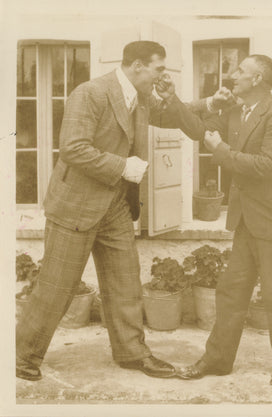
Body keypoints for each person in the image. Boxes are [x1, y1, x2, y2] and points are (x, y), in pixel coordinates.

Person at [15, 40, 200, 381]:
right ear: (138, 66)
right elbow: (72, 148)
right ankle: (21, 355)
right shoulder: (90, 93)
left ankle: (132, 353)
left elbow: (169, 113)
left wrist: (198, 101)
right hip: (77, 205)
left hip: (114, 206)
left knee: (125, 283)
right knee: (57, 287)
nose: (163, 75)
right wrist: (122, 167)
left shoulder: (141, 98)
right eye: (160, 68)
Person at [163, 54, 272, 387]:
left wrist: (222, 151)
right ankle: (217, 361)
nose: (232, 75)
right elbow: (200, 130)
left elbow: (266, 166)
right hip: (248, 220)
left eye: (240, 71)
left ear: (258, 79)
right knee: (231, 291)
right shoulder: (238, 111)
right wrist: (172, 100)